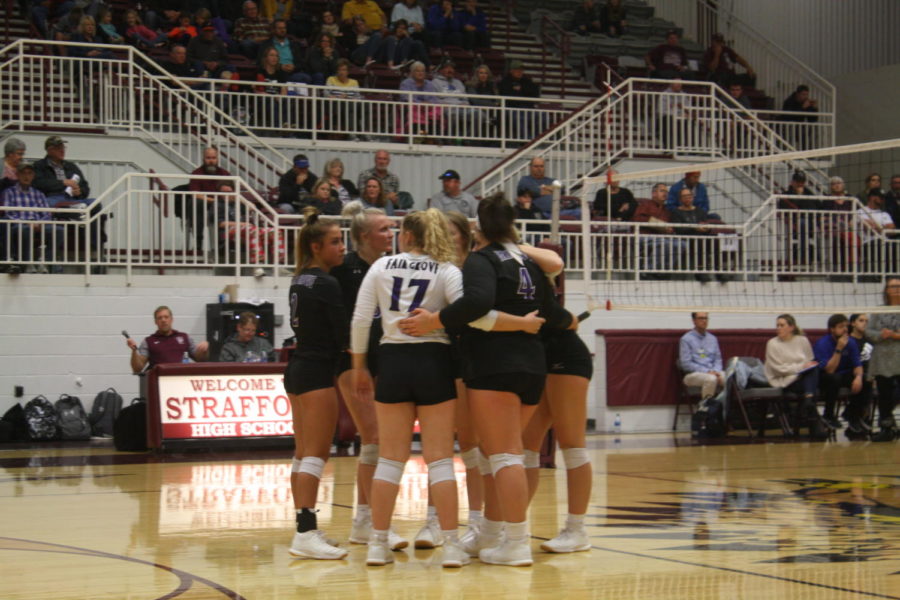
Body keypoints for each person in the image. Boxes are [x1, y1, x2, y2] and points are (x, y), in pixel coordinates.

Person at [397, 193, 574, 566]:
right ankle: (493, 532)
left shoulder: (482, 259)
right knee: (503, 457)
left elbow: (477, 303)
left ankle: (517, 543)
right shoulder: (527, 260)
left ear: (479, 225)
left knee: (504, 456)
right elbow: (551, 310)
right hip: (531, 366)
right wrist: (563, 322)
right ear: (514, 224)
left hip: (495, 365)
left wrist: (435, 320)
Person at [350, 209, 472, 567]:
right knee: (440, 461)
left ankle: (377, 544)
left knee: (389, 459)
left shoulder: (381, 267)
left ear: (406, 236)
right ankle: (450, 547)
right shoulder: (447, 270)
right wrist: (436, 320)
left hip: (393, 362)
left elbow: (360, 319)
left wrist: (358, 366)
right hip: (435, 360)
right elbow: (466, 310)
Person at [331, 203, 404, 550]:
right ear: (363, 236)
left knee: (380, 440)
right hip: (353, 361)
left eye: (391, 228)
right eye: (384, 229)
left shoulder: (393, 267)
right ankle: (369, 522)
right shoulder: (344, 269)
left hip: (387, 358)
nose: (391, 234)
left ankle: (367, 520)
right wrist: (346, 348)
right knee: (373, 436)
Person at [283, 208, 350, 560]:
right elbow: (344, 334)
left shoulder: (300, 278)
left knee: (302, 454)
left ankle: (304, 526)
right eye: (336, 242)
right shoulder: (327, 283)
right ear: (316, 245)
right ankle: (305, 534)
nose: (342, 247)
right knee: (316, 454)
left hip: (298, 368)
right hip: (316, 372)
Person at [764, 314, 828, 439]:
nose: (778, 328)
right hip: (784, 380)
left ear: (791, 327)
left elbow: (810, 362)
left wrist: (804, 367)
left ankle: (809, 401)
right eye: (777, 325)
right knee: (811, 383)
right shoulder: (772, 343)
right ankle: (810, 404)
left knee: (815, 370)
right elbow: (778, 370)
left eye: (782, 325)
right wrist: (800, 367)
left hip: (803, 378)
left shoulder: (802, 340)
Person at [1, 162, 65, 275]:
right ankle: (27, 263)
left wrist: (40, 223)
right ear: (17, 175)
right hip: (19, 224)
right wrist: (27, 222)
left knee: (59, 231)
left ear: (33, 176)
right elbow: (9, 213)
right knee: (25, 229)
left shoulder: (38, 194)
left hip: (38, 224)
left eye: (29, 173)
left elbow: (46, 213)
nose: (26, 176)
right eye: (23, 173)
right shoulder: (9, 192)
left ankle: (44, 261)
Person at [813, 314, 863, 431]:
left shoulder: (851, 342)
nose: (845, 329)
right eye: (841, 327)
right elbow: (830, 370)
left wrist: (859, 377)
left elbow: (857, 365)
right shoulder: (822, 344)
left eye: (846, 326)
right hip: (824, 377)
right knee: (834, 378)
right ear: (832, 329)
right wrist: (839, 348)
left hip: (843, 374)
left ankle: (852, 415)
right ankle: (828, 415)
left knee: (865, 380)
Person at [865, 277, 900, 442]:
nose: (896, 289)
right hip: (882, 358)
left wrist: (895, 335)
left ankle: (889, 420)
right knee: (884, 394)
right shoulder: (878, 311)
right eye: (892, 286)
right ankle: (886, 427)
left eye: (898, 286)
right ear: (887, 290)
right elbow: (868, 332)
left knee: (896, 393)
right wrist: (881, 334)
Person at [125, 306, 209, 373]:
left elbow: (200, 359)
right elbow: (137, 369)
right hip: (158, 384)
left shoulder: (184, 337)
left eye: (166, 317)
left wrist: (204, 350)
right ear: (155, 322)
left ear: (171, 319)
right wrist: (133, 351)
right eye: (160, 318)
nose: (163, 320)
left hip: (181, 381)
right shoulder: (148, 341)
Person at [187, 147, 231, 251]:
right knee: (198, 204)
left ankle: (223, 244)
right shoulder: (197, 173)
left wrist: (219, 201)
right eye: (208, 158)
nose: (211, 161)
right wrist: (214, 200)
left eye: (213, 158)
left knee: (225, 207)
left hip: (220, 204)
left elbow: (231, 192)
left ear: (217, 159)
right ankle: (198, 241)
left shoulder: (224, 174)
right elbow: (195, 194)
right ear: (203, 159)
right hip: (203, 204)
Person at [633, 182, 678, 278]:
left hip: (662, 237)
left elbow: (670, 226)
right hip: (644, 236)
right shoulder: (645, 205)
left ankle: (666, 270)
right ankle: (649, 270)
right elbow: (637, 219)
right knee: (662, 242)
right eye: (662, 191)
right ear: (653, 193)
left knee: (680, 244)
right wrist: (658, 224)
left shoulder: (667, 210)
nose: (665, 194)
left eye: (666, 192)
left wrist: (669, 229)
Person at [679, 312, 724, 401]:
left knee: (729, 378)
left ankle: (724, 409)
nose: (704, 321)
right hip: (693, 374)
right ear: (694, 321)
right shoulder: (686, 339)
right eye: (701, 318)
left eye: (706, 318)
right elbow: (686, 363)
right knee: (711, 379)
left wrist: (716, 371)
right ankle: (706, 409)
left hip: (713, 371)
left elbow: (718, 359)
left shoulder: (712, 339)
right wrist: (707, 371)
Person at [498, 60, 541, 139]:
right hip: (512, 108)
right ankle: (528, 140)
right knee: (517, 118)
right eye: (517, 70)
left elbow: (535, 93)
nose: (520, 72)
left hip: (527, 108)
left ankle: (537, 139)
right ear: (511, 71)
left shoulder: (527, 81)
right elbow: (507, 95)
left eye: (521, 70)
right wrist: (523, 93)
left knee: (543, 116)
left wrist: (521, 90)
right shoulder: (505, 82)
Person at [258, 19, 311, 84]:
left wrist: (293, 67)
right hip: (275, 74)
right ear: (274, 30)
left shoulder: (294, 45)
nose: (282, 30)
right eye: (279, 28)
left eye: (284, 28)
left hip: (292, 73)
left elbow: (301, 63)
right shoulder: (266, 44)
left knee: (305, 77)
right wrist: (280, 66)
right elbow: (260, 61)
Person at [847, 313, 874, 436]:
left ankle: (854, 414)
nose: (865, 323)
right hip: (852, 373)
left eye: (866, 321)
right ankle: (855, 416)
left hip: (870, 374)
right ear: (853, 323)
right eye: (861, 320)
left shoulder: (870, 340)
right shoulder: (848, 340)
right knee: (864, 379)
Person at [399, 61, 442, 137]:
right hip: (413, 109)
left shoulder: (429, 83)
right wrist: (420, 103)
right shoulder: (406, 83)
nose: (420, 73)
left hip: (428, 109)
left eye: (422, 71)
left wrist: (429, 103)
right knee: (415, 110)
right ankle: (418, 136)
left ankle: (432, 137)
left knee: (437, 110)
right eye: (417, 71)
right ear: (412, 73)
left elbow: (434, 98)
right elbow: (405, 97)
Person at [857, 189, 895, 273]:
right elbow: (868, 229)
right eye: (880, 197)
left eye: (883, 198)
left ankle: (891, 275)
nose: (882, 200)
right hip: (867, 242)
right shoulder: (861, 211)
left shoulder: (885, 214)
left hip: (884, 242)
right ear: (872, 197)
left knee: (893, 245)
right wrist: (883, 228)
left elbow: (892, 230)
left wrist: (877, 227)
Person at [781, 85, 818, 150]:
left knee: (809, 132)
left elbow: (812, 120)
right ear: (798, 94)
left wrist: (814, 109)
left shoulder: (805, 102)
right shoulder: (789, 101)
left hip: (800, 126)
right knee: (793, 132)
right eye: (803, 94)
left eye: (807, 95)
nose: (805, 97)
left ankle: (807, 153)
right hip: (788, 125)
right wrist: (802, 108)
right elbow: (789, 116)